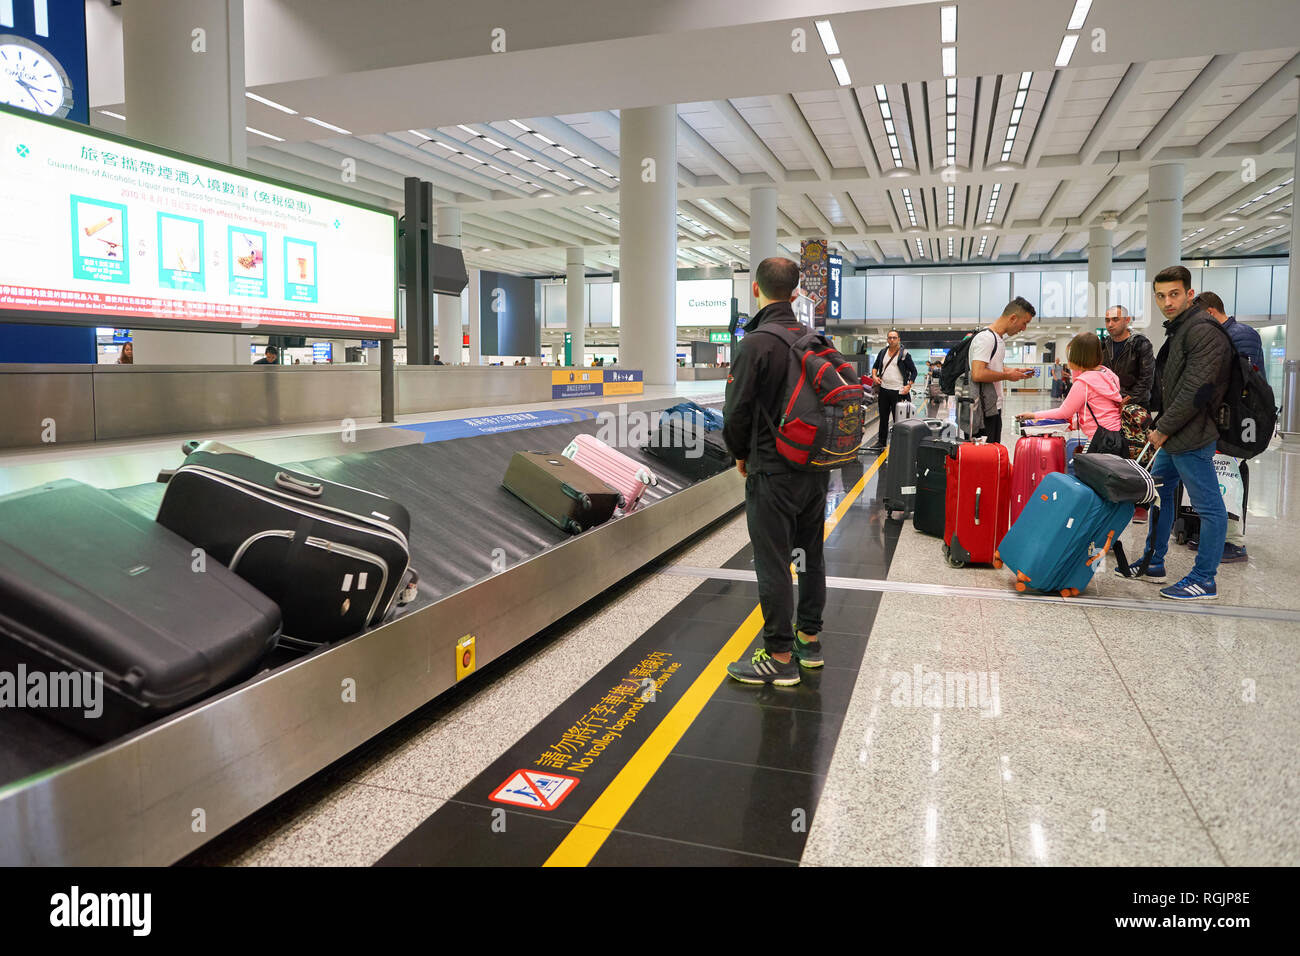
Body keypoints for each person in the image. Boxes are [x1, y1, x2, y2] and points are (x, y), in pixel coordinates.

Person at [722, 256, 828, 686]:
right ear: (797, 290)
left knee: (773, 561)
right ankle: (809, 641)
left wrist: (740, 453)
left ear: (756, 289)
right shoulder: (813, 338)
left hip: (772, 469)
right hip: (815, 468)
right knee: (809, 557)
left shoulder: (754, 344)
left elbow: (736, 414)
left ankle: (780, 656)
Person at [1116, 266, 1231, 600]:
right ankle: (1154, 561)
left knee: (1209, 506)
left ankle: (1204, 578)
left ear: (1189, 294)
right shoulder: (1181, 329)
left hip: (1192, 436)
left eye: (1174, 294)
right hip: (1174, 433)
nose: (1167, 301)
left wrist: (1163, 429)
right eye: (1161, 296)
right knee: (1158, 493)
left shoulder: (1202, 331)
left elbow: (1197, 389)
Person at [1192, 291, 1260, 563]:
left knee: (1230, 477)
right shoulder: (1223, 334)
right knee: (1217, 476)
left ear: (1209, 312)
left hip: (1238, 420)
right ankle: (1216, 533)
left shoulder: (1242, 334)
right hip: (1221, 417)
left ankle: (1234, 541)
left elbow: (1241, 380)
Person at [1016, 333, 1123, 444]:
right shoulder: (1108, 374)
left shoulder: (1084, 383)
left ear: (1079, 356)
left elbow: (1064, 412)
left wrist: (1033, 415)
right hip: (1116, 436)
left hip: (1099, 441)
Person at [1102, 304, 1156, 521]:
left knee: (1137, 453)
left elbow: (1147, 378)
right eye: (1107, 320)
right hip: (1109, 406)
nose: (1110, 324)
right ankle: (1114, 497)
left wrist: (1129, 399)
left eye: (1115, 319)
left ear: (1127, 320)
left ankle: (1141, 502)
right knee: (1113, 452)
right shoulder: (1103, 345)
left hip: (1135, 408)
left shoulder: (1140, 344)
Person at [967, 298, 1036, 444]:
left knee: (993, 454)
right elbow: (977, 373)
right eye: (1024, 323)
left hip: (992, 408)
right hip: (983, 412)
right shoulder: (986, 338)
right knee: (985, 458)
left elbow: (991, 368)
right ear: (1013, 318)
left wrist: (1013, 371)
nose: (1024, 328)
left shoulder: (997, 339)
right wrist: (1007, 375)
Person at [865, 329, 917, 452]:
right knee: (883, 418)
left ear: (899, 339)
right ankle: (881, 442)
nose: (892, 340)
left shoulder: (904, 354)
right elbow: (875, 366)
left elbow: (914, 371)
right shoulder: (883, 352)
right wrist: (874, 377)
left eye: (894, 337)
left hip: (898, 391)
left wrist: (909, 386)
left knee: (898, 419)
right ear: (887, 339)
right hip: (884, 390)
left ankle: (899, 443)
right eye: (889, 338)